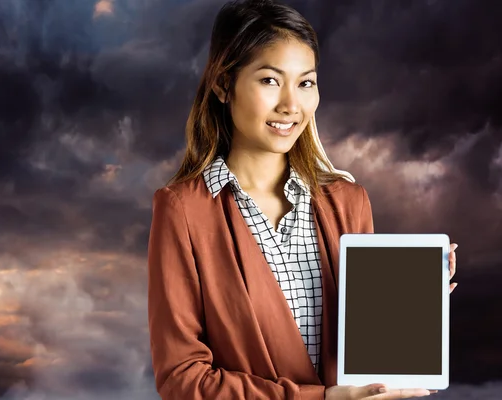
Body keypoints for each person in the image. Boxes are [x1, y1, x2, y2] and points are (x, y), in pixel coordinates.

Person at [147, 0, 458, 399]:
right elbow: (182, 379)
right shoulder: (182, 209)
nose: (291, 106)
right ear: (224, 85)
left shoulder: (348, 202)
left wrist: (408, 306)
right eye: (270, 81)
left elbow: (366, 354)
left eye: (305, 82)